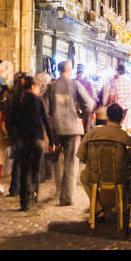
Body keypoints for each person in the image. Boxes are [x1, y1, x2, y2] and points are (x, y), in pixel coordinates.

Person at [46, 60, 91, 207]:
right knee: (71, 162)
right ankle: (66, 197)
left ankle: (58, 189)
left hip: (56, 128)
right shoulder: (75, 85)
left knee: (56, 160)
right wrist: (81, 116)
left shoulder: (51, 86)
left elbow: (46, 108)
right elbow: (89, 104)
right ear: (70, 69)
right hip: (72, 128)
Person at [78, 103, 131, 218]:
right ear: (122, 118)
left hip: (95, 176)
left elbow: (81, 156)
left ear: (107, 117)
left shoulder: (92, 133)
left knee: (84, 176)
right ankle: (120, 205)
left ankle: (98, 207)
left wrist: (94, 166)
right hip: (119, 177)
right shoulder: (126, 137)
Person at [6, 72, 52, 211]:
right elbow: (45, 121)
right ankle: (34, 199)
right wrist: (53, 140)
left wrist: (14, 136)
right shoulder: (38, 101)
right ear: (33, 87)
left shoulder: (18, 101)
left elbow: (11, 121)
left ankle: (24, 202)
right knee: (36, 170)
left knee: (24, 170)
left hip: (23, 140)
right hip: (38, 139)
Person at [102, 62, 131, 132]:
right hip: (130, 109)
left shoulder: (114, 82)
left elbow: (112, 98)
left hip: (119, 110)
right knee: (129, 131)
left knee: (119, 131)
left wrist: (106, 105)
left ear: (117, 72)